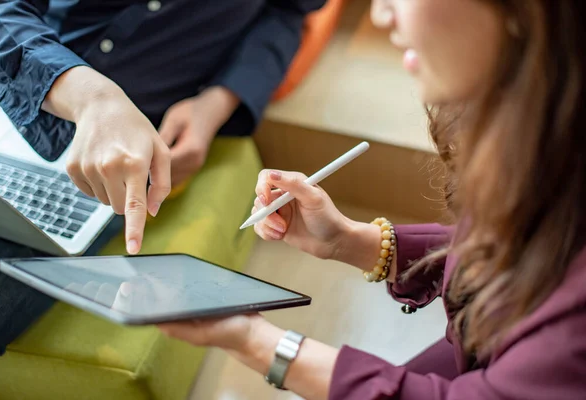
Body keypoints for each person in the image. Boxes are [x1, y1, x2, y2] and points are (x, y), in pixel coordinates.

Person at [158, 0, 586, 399]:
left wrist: (254, 340)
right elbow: (514, 256)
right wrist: (353, 241)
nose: (380, 14)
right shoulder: (545, 142)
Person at [0, 0, 325, 359]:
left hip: (122, 155)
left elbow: (288, 12)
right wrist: (89, 95)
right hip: (5, 85)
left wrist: (217, 102)